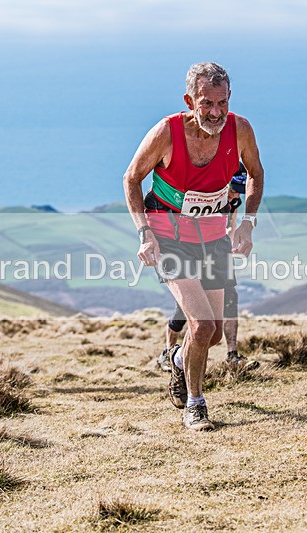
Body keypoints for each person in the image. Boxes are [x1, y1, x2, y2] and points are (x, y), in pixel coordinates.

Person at [123, 62, 264, 431]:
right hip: (167, 237)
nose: (216, 113)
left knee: (214, 334)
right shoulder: (166, 132)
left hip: (213, 239)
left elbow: (256, 174)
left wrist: (247, 223)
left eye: (222, 103)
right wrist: (144, 232)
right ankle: (195, 404)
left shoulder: (241, 130)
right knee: (201, 326)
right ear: (190, 100)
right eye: (206, 104)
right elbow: (132, 178)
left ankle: (178, 359)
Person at [157, 163, 259, 372]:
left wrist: (231, 241)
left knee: (229, 301)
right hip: (190, 252)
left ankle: (232, 354)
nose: (233, 196)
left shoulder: (234, 200)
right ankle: (169, 352)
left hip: (218, 254)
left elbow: (231, 222)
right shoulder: (206, 194)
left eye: (238, 192)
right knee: (183, 311)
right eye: (232, 190)